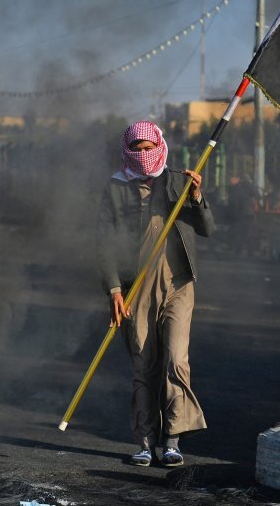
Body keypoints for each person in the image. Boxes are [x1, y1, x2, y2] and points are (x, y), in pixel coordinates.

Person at [96, 120, 214, 468]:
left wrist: (197, 197)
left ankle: (173, 441)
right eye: (138, 150)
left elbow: (207, 229)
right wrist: (115, 289)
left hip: (178, 284)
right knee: (143, 364)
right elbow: (104, 243)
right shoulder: (116, 188)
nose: (145, 156)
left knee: (176, 360)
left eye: (150, 148)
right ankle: (145, 443)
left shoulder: (178, 180)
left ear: (160, 146)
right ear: (127, 151)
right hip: (136, 290)